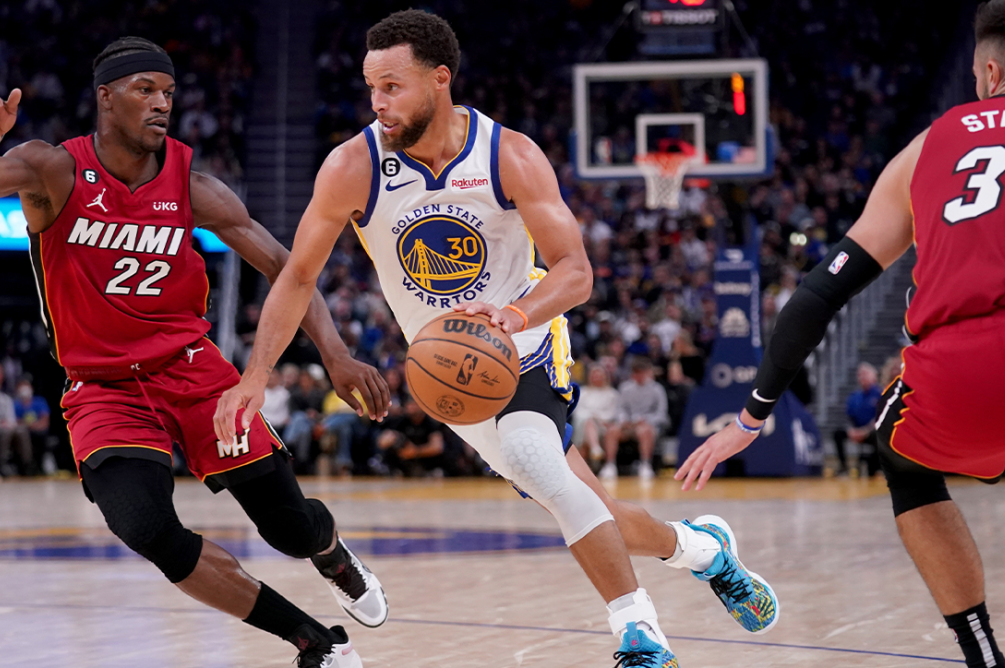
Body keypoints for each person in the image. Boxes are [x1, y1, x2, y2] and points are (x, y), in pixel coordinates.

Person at [215, 11, 778, 666]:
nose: (378, 103)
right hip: (448, 373)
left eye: (393, 86)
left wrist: (514, 315)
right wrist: (255, 372)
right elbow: (297, 277)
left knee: (542, 466)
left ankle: (638, 634)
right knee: (585, 504)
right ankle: (701, 549)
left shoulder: (508, 154)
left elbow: (576, 271)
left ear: (439, 80)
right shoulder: (352, 166)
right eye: (371, 87)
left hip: (527, 347)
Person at [0, 36, 391, 667]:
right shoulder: (54, 169)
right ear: (106, 98)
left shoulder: (195, 186)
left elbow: (286, 268)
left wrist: (337, 354)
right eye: (145, 90)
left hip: (196, 373)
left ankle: (333, 556)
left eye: (168, 93)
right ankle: (313, 641)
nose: (162, 104)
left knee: (289, 529)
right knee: (148, 530)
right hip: (102, 388)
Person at [677, 3, 1005, 666]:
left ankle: (983, 655)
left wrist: (754, 415)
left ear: (987, 72)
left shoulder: (931, 144)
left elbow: (820, 291)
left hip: (961, 369)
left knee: (902, 459)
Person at [605, 357, 670, 482]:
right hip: (628, 425)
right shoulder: (625, 388)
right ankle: (609, 465)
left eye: (641, 373)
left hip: (647, 425)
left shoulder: (657, 389)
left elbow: (661, 413)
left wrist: (646, 420)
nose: (639, 376)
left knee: (644, 431)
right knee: (612, 431)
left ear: (647, 372)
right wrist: (623, 420)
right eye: (636, 373)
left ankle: (645, 464)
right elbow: (620, 408)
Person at [830, 362, 882, 477]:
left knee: (879, 436)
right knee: (838, 433)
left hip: (872, 431)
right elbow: (848, 417)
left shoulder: (880, 394)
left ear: (874, 376)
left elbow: (881, 417)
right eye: (859, 374)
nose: (862, 376)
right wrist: (851, 430)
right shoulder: (854, 397)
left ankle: (877, 468)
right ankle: (843, 466)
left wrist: (866, 430)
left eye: (865, 373)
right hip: (857, 430)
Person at [376, 398, 446, 477]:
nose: (411, 407)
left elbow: (437, 447)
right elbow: (382, 442)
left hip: (426, 465)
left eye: (414, 404)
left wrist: (415, 451)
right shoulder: (400, 420)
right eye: (409, 404)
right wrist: (393, 438)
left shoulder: (430, 423)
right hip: (401, 465)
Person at [572, 364, 620, 472]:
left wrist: (598, 418)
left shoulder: (612, 394)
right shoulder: (583, 392)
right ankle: (595, 448)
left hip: (604, 425)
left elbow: (613, 412)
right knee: (588, 422)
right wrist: (593, 416)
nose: (597, 378)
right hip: (585, 423)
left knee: (605, 428)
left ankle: (605, 461)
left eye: (599, 375)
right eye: (594, 375)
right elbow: (578, 411)